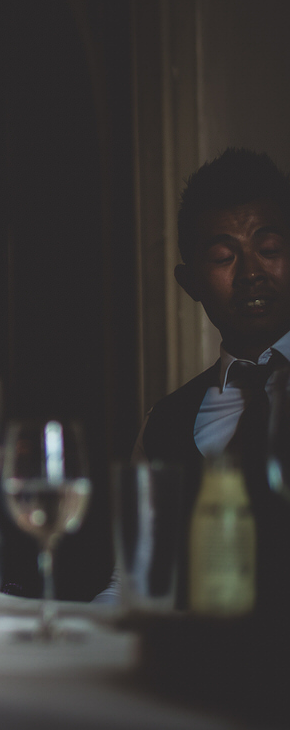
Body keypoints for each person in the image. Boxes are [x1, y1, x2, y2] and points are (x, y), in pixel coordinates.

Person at [137, 147, 290, 612]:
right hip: (196, 672)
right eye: (225, 256)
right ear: (191, 284)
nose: (251, 274)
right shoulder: (164, 422)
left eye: (269, 251)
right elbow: (140, 575)